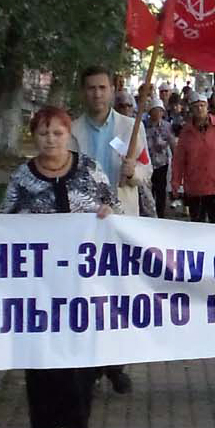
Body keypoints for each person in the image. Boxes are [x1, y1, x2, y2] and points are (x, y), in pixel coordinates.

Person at [0, 106, 119, 428]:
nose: (50, 140)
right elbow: (4, 218)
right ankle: (47, 422)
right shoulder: (23, 176)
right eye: (43, 133)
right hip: (39, 283)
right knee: (41, 351)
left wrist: (107, 212)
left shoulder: (88, 169)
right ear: (34, 137)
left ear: (67, 135)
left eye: (57, 133)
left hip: (81, 281)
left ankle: (77, 424)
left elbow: (113, 207)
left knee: (80, 352)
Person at [68, 66, 150, 395]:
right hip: (84, 222)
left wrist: (135, 172)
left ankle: (115, 364)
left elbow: (146, 168)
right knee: (89, 294)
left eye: (102, 87)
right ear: (83, 91)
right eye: (91, 88)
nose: (97, 94)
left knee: (119, 293)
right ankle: (90, 365)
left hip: (121, 219)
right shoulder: (72, 131)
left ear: (112, 90)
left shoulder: (129, 128)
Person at [172, 92, 215, 223]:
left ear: (207, 107)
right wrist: (176, 182)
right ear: (191, 109)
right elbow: (179, 159)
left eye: (202, 105)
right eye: (196, 106)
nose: (199, 109)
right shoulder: (186, 132)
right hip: (194, 187)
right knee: (197, 225)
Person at [146, 97, 177, 218]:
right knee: (149, 191)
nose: (158, 113)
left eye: (160, 111)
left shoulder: (167, 126)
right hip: (148, 163)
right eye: (155, 110)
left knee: (160, 191)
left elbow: (172, 142)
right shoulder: (144, 125)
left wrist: (176, 159)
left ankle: (160, 215)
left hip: (162, 164)